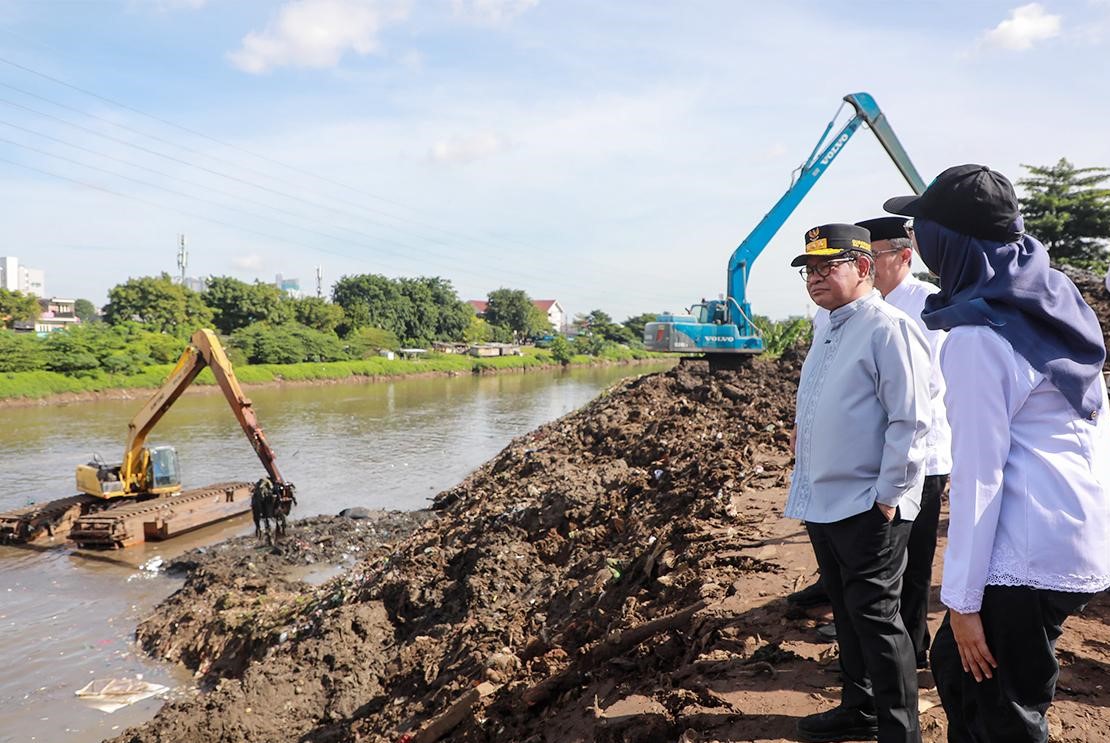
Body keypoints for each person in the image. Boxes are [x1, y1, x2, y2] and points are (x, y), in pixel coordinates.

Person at [884, 164, 1110, 743]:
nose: (916, 240)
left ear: (948, 241)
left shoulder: (980, 336)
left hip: (1024, 547)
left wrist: (961, 603)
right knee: (964, 680)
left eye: (921, 227)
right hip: (1071, 528)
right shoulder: (1052, 296)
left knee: (1000, 708)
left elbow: (979, 476)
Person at [787, 223, 932, 743]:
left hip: (868, 502)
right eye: (809, 269)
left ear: (864, 267)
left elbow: (910, 419)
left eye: (828, 266)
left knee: (877, 618)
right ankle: (860, 708)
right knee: (848, 613)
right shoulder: (827, 325)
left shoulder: (886, 326)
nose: (815, 277)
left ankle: (899, 731)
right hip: (823, 497)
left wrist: (890, 497)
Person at [808, 217, 953, 665]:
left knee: (911, 566)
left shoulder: (924, 305)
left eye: (877, 256)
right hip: (864, 465)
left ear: (899, 258)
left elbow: (924, 395)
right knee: (871, 574)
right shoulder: (834, 313)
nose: (821, 276)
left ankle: (909, 653)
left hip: (920, 457)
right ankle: (877, 657)